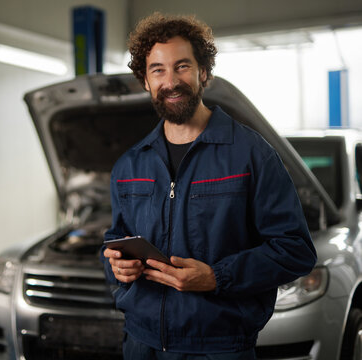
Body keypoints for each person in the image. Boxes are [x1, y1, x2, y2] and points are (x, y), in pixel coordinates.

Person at [100, 12, 317, 360]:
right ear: (145, 80)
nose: (170, 81)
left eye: (182, 66)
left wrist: (218, 277)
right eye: (158, 70)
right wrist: (115, 264)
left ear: (204, 73)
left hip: (219, 348)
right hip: (141, 344)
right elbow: (115, 240)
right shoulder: (130, 164)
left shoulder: (251, 155)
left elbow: (295, 250)